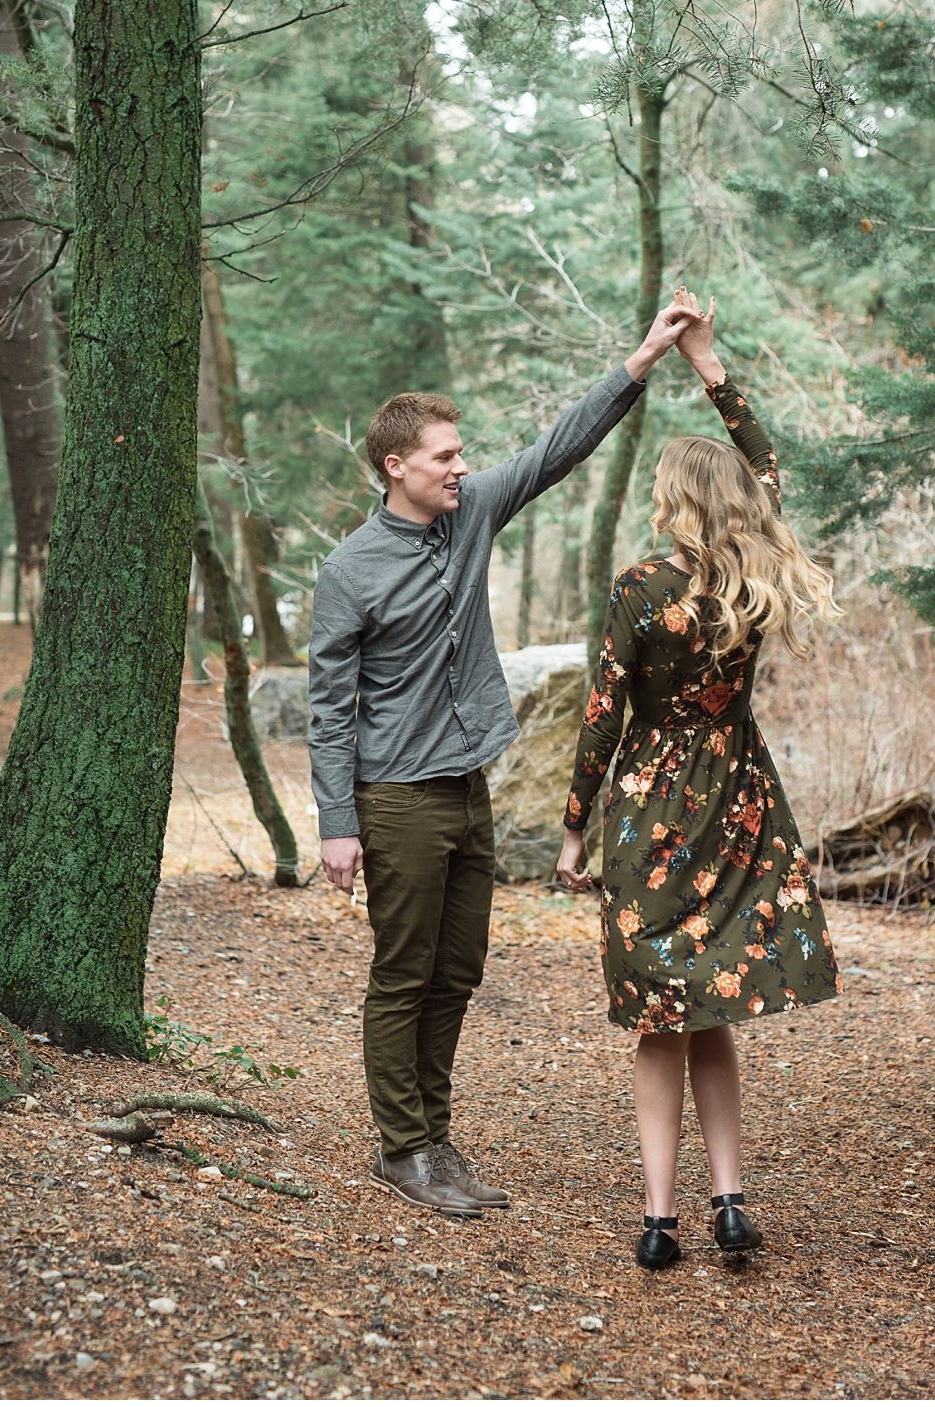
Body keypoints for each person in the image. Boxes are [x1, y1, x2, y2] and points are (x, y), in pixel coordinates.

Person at [308, 295, 699, 1217]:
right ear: (395, 466)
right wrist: (335, 823)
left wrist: (641, 359)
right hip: (395, 796)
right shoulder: (349, 571)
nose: (462, 466)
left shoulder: (470, 510)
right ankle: (402, 1146)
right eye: (445, 456)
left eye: (460, 454)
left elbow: (554, 450)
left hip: (468, 785)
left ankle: (434, 1140)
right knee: (403, 972)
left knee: (460, 969)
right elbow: (329, 708)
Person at [555, 291, 840, 1270]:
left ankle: (657, 1217)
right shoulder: (745, 579)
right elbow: (768, 471)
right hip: (739, 801)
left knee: (657, 1021)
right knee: (708, 1008)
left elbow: (602, 714)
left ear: (673, 497)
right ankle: (727, 1200)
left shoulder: (641, 588)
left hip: (649, 810)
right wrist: (710, 365)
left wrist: (570, 828)